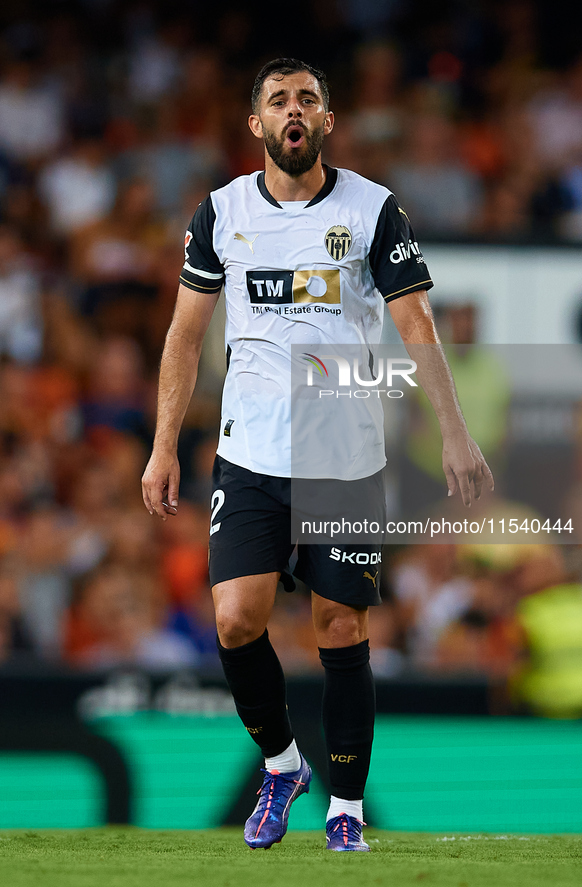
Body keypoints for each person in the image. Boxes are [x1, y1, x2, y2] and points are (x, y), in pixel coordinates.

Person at [142, 58, 493, 852]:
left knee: (338, 624)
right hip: (251, 454)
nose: (292, 109)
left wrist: (454, 430)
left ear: (325, 121)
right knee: (236, 619)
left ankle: (345, 811)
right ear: (256, 125)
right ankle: (280, 763)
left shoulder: (373, 209)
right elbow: (185, 336)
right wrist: (163, 446)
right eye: (277, 99)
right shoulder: (221, 212)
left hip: (343, 452)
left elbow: (415, 325)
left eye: (306, 99)